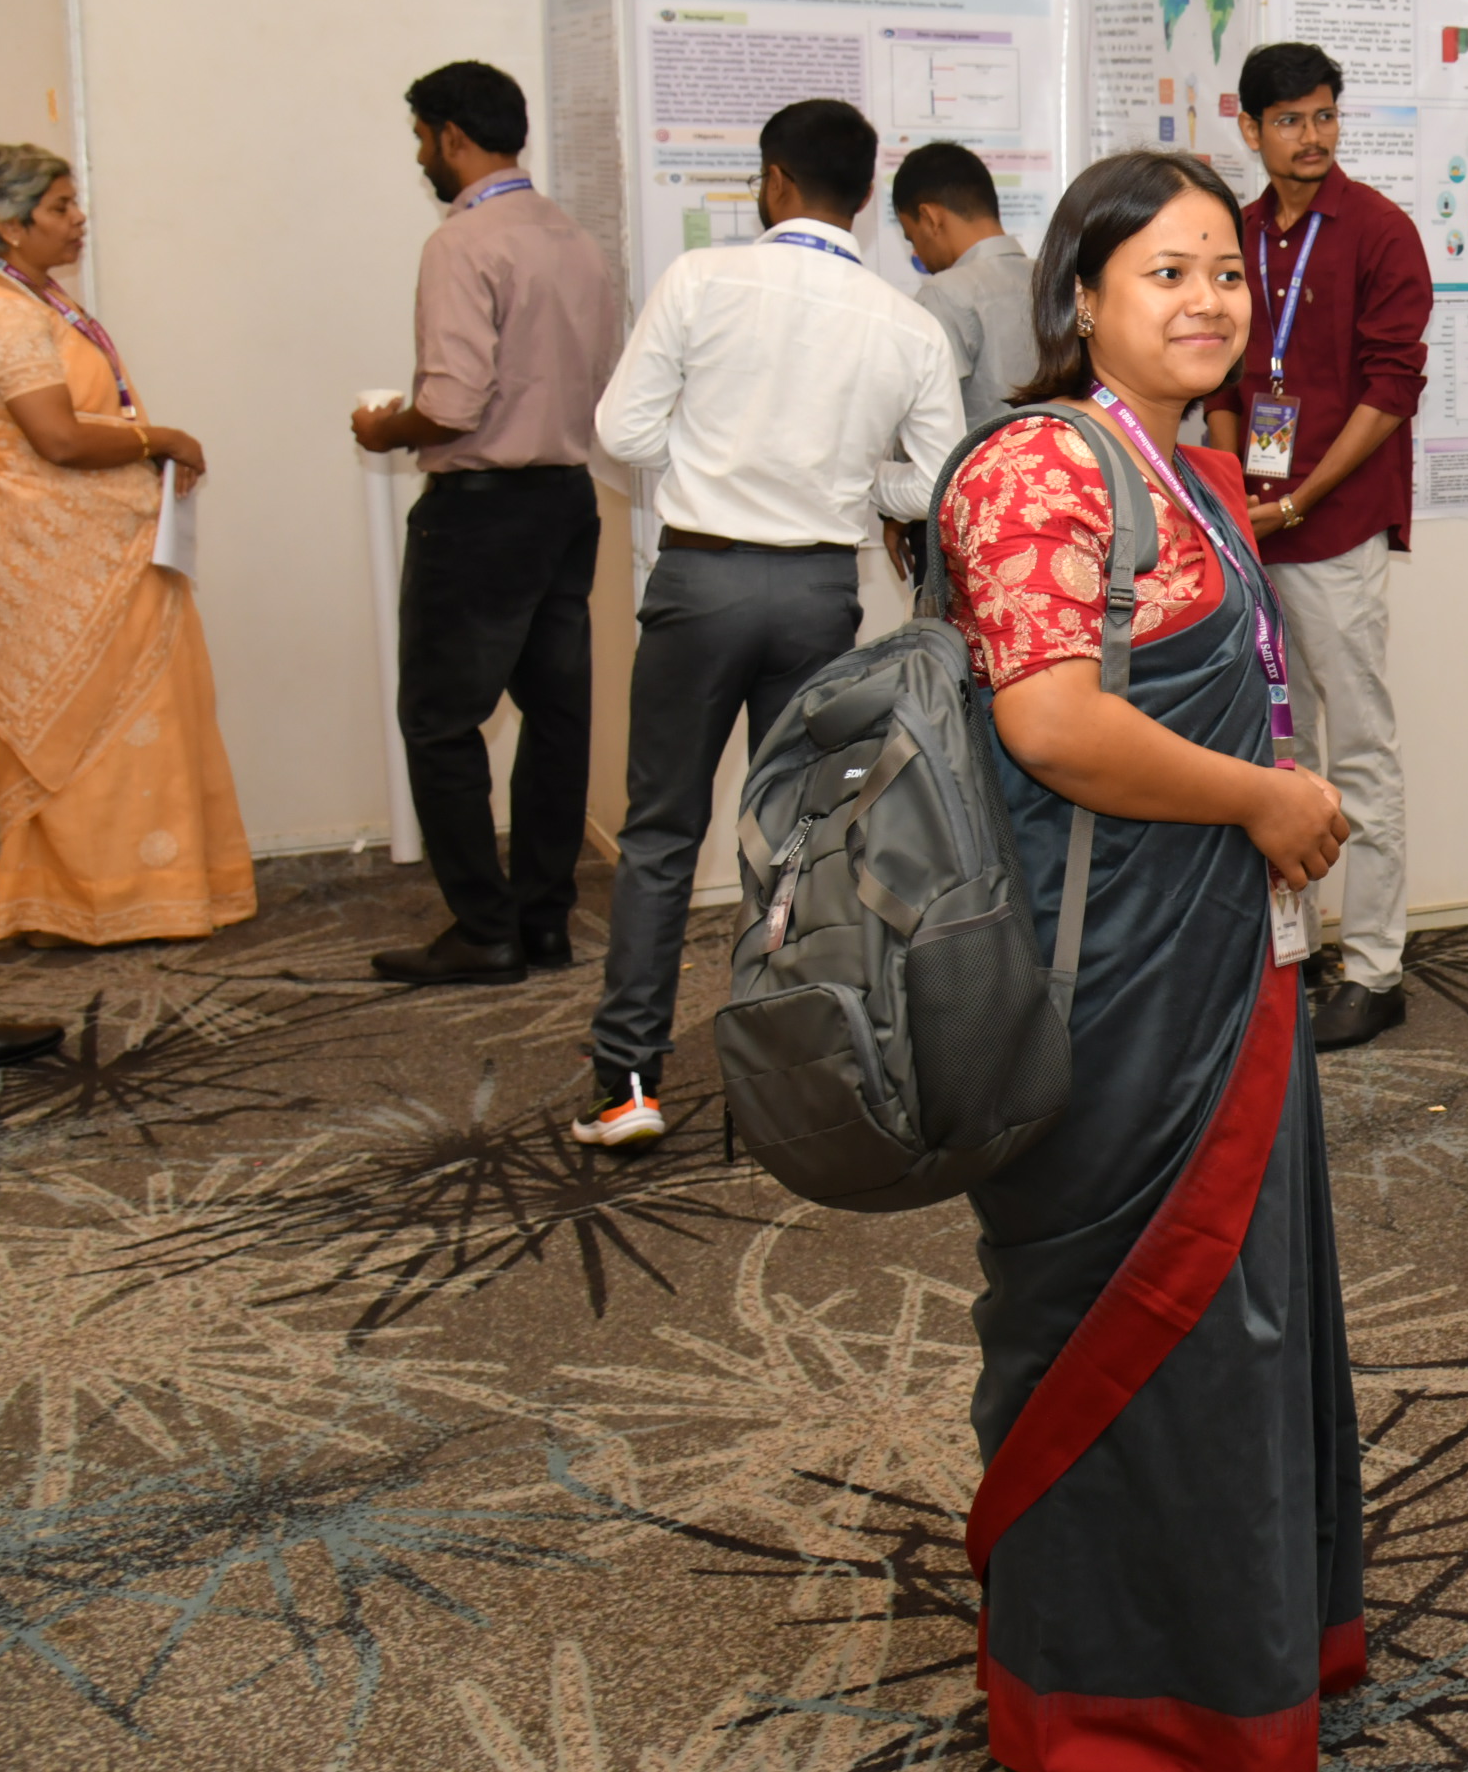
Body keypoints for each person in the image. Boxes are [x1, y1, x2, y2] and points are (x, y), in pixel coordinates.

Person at [943, 149, 1363, 1765]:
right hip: (1104, 980)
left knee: (1237, 1318)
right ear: (1082, 297)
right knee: (1127, 1312)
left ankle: (1233, 1652)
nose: (1207, 301)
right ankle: (1111, 1695)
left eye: (1224, 272)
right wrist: (1262, 798)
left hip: (1220, 966)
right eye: (1165, 273)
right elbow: (1051, 725)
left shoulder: (1187, 464)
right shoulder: (1041, 463)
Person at [579, 98, 959, 1148]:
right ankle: (789, 1077)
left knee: (662, 832)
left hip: (700, 581)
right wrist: (850, 480)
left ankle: (628, 1083)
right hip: (816, 594)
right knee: (795, 838)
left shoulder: (701, 281)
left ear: (775, 179)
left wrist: (718, 451)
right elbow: (936, 480)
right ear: (868, 196)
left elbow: (622, 431)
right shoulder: (906, 324)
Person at [350, 61, 626, 987]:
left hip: (480, 514)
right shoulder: (577, 241)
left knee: (438, 723)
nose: (421, 158)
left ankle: (482, 929)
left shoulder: (461, 244)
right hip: (566, 500)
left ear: (452, 136)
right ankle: (544, 922)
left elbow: (451, 405)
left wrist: (383, 429)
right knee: (555, 720)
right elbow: (606, 385)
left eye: (421, 139)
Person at [0, 145, 252, 952]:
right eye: (59, 207)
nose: (79, 219)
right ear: (11, 227)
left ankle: (152, 896)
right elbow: (56, 437)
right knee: (83, 730)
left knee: (147, 720)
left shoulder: (35, 296)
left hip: (105, 550)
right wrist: (163, 438)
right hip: (54, 565)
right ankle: (78, 906)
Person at [1199, 42, 1431, 1051]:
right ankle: (1288, 954)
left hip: (1331, 533)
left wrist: (1295, 501)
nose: (1311, 136)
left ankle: (1374, 967)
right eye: (1290, 120)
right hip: (1248, 533)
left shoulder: (1378, 230)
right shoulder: (1237, 234)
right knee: (1266, 750)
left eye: (1324, 116)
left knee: (1360, 746)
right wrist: (1230, 488)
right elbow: (1219, 375)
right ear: (1250, 127)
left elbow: (1392, 389)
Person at [891, 139, 1036, 429]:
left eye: (911, 237)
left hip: (977, 457)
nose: (916, 252)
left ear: (930, 217)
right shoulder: (1056, 279)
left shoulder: (943, 293)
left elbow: (928, 422)